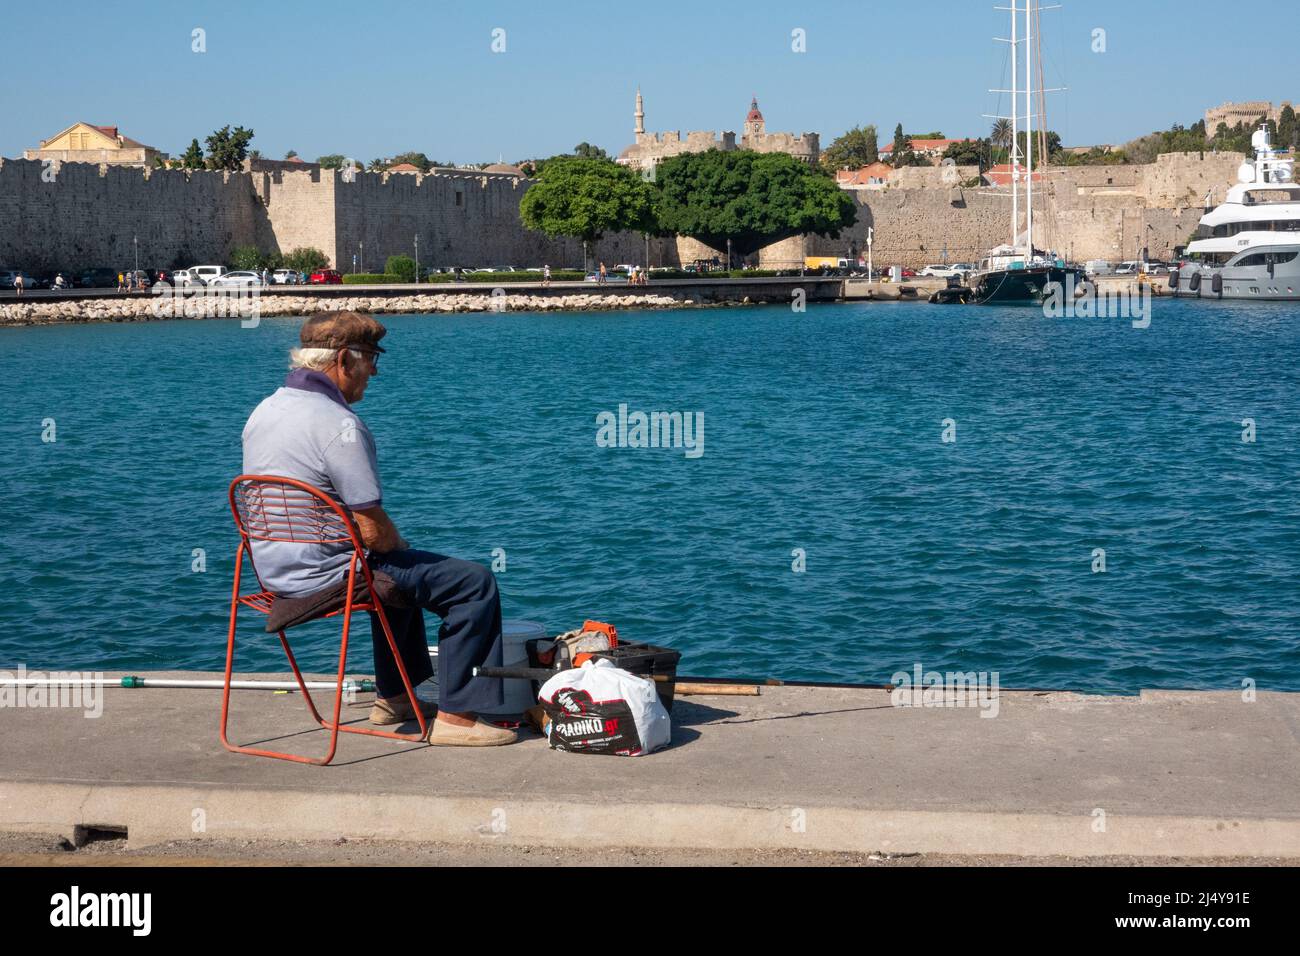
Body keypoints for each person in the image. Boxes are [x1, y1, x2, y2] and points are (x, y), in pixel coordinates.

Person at [241, 311, 517, 746]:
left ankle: (396, 697)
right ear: (344, 360)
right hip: (330, 575)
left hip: (274, 570)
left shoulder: (265, 410)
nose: (375, 370)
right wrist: (398, 545)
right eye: (370, 358)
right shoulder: (340, 426)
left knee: (401, 571)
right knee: (472, 583)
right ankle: (457, 718)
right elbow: (373, 532)